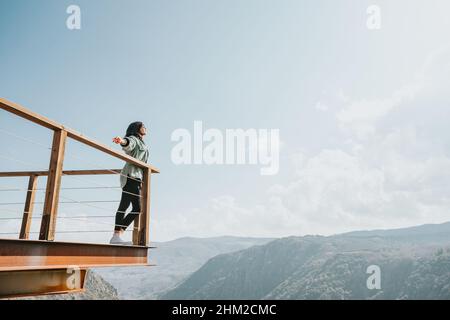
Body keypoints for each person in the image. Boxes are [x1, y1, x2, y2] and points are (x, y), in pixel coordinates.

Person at [110, 121, 149, 244]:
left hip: (135, 177)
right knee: (136, 208)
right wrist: (122, 141)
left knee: (125, 205)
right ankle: (117, 234)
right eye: (143, 127)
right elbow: (128, 143)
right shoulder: (134, 139)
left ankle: (116, 236)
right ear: (137, 128)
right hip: (131, 175)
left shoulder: (142, 142)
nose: (145, 128)